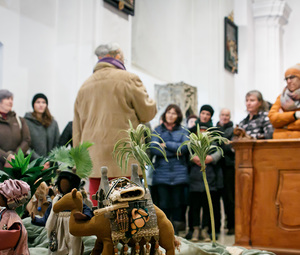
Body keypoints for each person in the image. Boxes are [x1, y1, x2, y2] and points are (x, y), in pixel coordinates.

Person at [73, 42, 157, 205]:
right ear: (117, 56)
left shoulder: (84, 86)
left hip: (94, 162)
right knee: (127, 212)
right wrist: (152, 102)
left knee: (99, 213)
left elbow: (77, 129)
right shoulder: (128, 79)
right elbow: (147, 113)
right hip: (124, 159)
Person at [150, 104, 189, 234]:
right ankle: (165, 230)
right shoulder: (157, 130)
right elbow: (154, 149)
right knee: (164, 204)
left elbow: (184, 148)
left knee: (178, 204)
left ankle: (176, 232)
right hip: (161, 173)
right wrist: (175, 151)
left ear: (178, 116)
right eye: (168, 112)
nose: (171, 115)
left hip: (179, 174)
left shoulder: (183, 130)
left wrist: (166, 144)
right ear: (165, 114)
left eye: (174, 113)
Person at [188, 104, 223, 242]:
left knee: (209, 204)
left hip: (210, 173)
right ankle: (195, 229)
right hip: (195, 173)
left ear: (210, 117)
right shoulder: (191, 131)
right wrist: (194, 157)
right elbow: (187, 148)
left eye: (208, 114)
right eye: (203, 113)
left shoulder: (215, 132)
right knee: (194, 205)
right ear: (200, 114)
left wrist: (210, 158)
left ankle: (206, 230)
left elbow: (219, 149)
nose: (205, 116)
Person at [0, 89, 31, 170]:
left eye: (12, 99)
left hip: (16, 165)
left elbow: (26, 140)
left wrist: (16, 157)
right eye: (7, 98)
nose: (10, 102)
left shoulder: (19, 120)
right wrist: (6, 157)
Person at [216, 108, 235, 235]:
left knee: (230, 198)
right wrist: (226, 143)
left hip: (229, 168)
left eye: (227, 115)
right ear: (219, 116)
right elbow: (218, 145)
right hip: (216, 167)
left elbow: (233, 146)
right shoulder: (214, 129)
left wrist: (222, 144)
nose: (225, 117)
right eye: (223, 114)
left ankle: (231, 225)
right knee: (217, 197)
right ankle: (217, 227)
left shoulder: (234, 130)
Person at [24, 93, 60, 160]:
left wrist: (49, 160)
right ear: (33, 104)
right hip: (32, 163)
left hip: (50, 164)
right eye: (38, 102)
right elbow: (26, 145)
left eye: (43, 102)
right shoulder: (26, 122)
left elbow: (57, 143)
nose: (41, 105)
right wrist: (39, 160)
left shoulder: (53, 123)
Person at [268, 63, 300, 139]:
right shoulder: (281, 97)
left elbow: (277, 121)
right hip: (280, 144)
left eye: (292, 77)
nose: (288, 81)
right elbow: (273, 118)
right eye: (286, 79)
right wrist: (295, 115)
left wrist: (284, 125)